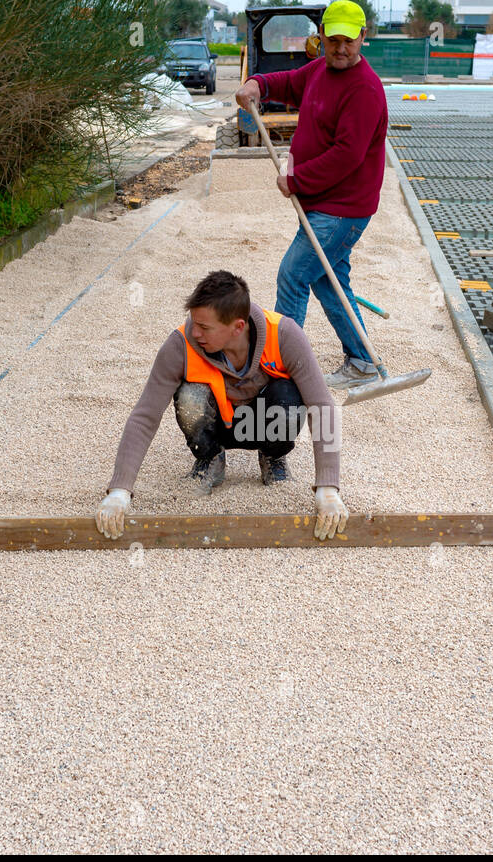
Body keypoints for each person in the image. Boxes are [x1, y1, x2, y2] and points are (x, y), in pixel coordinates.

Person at [96, 270, 348, 541]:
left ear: (238, 327)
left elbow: (323, 407)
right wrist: (119, 491)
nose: (195, 332)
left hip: (263, 424)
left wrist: (328, 488)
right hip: (215, 426)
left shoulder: (285, 334)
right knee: (190, 396)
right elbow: (145, 416)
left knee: (288, 396)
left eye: (205, 327)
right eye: (194, 322)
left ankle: (273, 457)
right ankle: (210, 458)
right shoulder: (180, 344)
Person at [233, 0, 388, 391]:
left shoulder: (365, 90)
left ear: (362, 38)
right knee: (328, 279)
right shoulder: (320, 70)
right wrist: (260, 84)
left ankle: (281, 371)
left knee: (294, 274)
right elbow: (289, 83)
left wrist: (297, 179)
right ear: (321, 37)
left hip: (343, 209)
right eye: (332, 39)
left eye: (348, 41)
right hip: (323, 202)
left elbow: (346, 156)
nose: (339, 48)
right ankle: (363, 360)